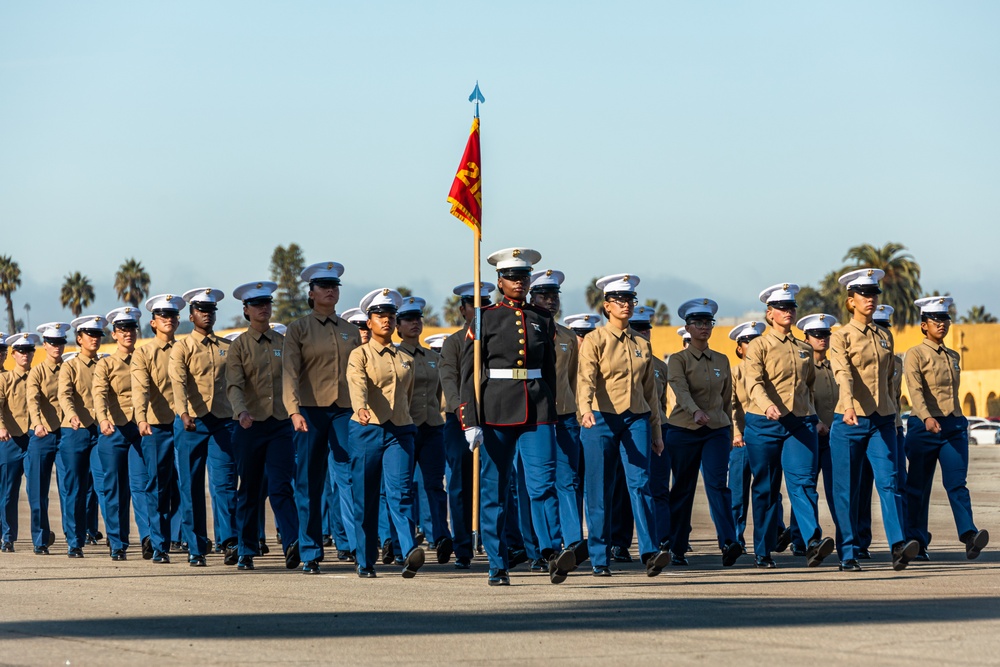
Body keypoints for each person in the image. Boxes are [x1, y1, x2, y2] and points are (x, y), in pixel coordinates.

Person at [460, 248, 576, 586]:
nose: (519, 282)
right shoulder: (484, 318)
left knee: (542, 484)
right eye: (512, 277)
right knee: (495, 490)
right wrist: (470, 420)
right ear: (499, 281)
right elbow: (470, 374)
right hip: (495, 412)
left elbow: (551, 371)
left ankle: (552, 551)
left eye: (524, 277)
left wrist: (551, 408)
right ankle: (498, 563)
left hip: (537, 409)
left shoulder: (542, 318)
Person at [576, 273, 669, 578]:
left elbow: (651, 393)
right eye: (619, 300)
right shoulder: (595, 339)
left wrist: (656, 431)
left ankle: (649, 551)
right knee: (599, 487)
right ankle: (599, 557)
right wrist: (585, 409)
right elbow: (585, 378)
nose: (626, 305)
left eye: (630, 300)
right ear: (607, 306)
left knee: (640, 483)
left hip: (636, 418)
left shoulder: (641, 343)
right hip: (601, 417)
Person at [829, 268, 919, 572]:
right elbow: (842, 371)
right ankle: (849, 552)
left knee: (890, 480)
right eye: (864, 294)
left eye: (874, 294)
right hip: (849, 420)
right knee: (847, 489)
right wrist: (849, 403)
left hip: (882, 419)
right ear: (850, 300)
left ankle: (898, 545)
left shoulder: (884, 335)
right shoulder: (839, 337)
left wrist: (894, 416)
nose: (871, 299)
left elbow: (890, 381)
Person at [743, 283, 834, 569]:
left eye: (791, 307)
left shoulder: (804, 348)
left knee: (804, 483)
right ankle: (763, 550)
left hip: (799, 423)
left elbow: (808, 387)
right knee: (766, 489)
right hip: (764, 422)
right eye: (782, 308)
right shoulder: (758, 346)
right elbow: (753, 382)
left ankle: (811, 541)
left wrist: (814, 417)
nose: (788, 312)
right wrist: (767, 404)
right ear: (770, 314)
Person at [282, 262, 361, 574]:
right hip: (310, 412)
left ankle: (359, 547)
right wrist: (293, 410)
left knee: (352, 476)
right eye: (324, 286)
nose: (331, 290)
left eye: (335, 285)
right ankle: (310, 550)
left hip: (345, 411)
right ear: (311, 293)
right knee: (309, 481)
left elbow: (359, 374)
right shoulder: (299, 329)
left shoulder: (351, 330)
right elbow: (289, 372)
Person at [903, 296, 989, 560]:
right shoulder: (915, 354)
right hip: (925, 426)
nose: (942, 324)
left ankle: (969, 535)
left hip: (952, 426)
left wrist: (959, 421)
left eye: (945, 319)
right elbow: (915, 390)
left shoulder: (953, 355)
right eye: (935, 320)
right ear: (924, 325)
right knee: (918, 487)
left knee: (956, 484)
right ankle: (916, 541)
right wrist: (927, 417)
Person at [347, 288, 424, 578]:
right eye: (380, 316)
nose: (387, 320)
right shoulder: (360, 354)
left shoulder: (405, 357)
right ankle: (365, 559)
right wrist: (361, 406)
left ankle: (408, 552)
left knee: (401, 492)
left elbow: (409, 392)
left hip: (400, 431)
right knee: (365, 497)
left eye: (391, 316)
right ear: (369, 322)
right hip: (367, 429)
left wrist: (407, 421)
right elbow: (357, 383)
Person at [225, 281, 301, 571]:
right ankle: (245, 548)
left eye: (267, 303)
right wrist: (241, 412)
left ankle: (292, 543)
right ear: (246, 310)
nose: (264, 309)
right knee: (251, 489)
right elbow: (234, 385)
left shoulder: (283, 344)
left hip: (280, 424)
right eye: (257, 305)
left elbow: (293, 381)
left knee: (282, 486)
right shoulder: (239, 347)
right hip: (249, 427)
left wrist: (295, 412)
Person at [665, 298, 743, 567]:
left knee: (718, 486)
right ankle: (676, 546)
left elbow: (726, 398)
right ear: (687, 327)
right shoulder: (678, 360)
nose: (704, 327)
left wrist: (728, 428)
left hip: (716, 432)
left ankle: (729, 542)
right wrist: (695, 411)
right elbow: (680, 390)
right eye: (697, 322)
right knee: (683, 489)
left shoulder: (721, 359)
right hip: (684, 430)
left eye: (708, 322)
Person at [169, 287, 237, 567]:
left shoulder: (227, 347)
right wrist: (183, 413)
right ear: (191, 314)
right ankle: (196, 546)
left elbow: (236, 384)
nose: (207, 315)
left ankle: (230, 541)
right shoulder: (182, 347)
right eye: (201, 310)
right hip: (192, 423)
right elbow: (178, 382)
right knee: (190, 485)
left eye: (210, 311)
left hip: (222, 421)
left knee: (224, 483)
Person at [529, 269, 586, 565]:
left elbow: (574, 379)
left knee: (569, 480)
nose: (550, 301)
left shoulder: (567, 337)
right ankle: (543, 546)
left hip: (565, 416)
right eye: (543, 295)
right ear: (532, 297)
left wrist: (578, 410)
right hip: (534, 417)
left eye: (554, 296)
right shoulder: (525, 330)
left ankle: (575, 543)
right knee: (539, 484)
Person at [439, 280, 493, 570]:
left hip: (495, 418)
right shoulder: (454, 343)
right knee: (460, 486)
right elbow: (449, 381)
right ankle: (462, 547)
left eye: (484, 303)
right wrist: (465, 415)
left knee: (494, 483)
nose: (479, 309)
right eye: (473, 304)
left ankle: (496, 541)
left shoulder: (497, 341)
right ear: (462, 309)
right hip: (460, 421)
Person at [395, 296, 453, 564]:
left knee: (434, 485)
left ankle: (441, 536)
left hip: (431, 428)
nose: (415, 323)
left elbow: (439, 394)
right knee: (403, 488)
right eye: (408, 319)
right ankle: (400, 542)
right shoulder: (394, 356)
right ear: (397, 325)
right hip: (404, 428)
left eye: (418, 318)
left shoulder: (432, 358)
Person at [132, 294, 185, 564]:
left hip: (187, 424)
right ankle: (159, 544)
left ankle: (183, 538)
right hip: (157, 426)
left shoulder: (186, 347)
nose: (169, 320)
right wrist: (140, 418)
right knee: (157, 487)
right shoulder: (144, 352)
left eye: (173, 316)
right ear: (153, 322)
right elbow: (140, 388)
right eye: (163, 316)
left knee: (185, 485)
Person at [92, 307, 145, 560]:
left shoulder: (145, 358)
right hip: (113, 430)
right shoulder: (107, 364)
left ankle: (148, 538)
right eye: (122, 330)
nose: (128, 334)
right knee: (114, 489)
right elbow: (99, 394)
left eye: (131, 329)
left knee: (142, 485)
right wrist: (102, 419)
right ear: (114, 334)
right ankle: (117, 541)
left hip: (141, 429)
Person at [790, 313, 842, 556]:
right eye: (817, 335)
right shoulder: (804, 367)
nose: (822, 339)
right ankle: (800, 538)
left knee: (836, 489)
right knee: (805, 485)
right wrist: (816, 420)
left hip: (834, 438)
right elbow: (803, 397)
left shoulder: (835, 367)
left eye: (826, 334)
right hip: (810, 433)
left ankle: (845, 539)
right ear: (806, 338)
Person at [58, 315, 107, 558]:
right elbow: (64, 395)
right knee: (75, 488)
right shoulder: (70, 366)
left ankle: (115, 540)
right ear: (79, 339)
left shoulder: (104, 364)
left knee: (103, 484)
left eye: (98, 335)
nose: (95, 339)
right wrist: (72, 414)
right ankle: (74, 540)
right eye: (90, 335)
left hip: (100, 431)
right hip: (74, 431)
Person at [26, 322, 71, 554]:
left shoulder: (69, 369)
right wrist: (37, 423)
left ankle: (73, 540)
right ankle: (41, 540)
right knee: (38, 491)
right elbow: (32, 399)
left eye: (61, 342)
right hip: (42, 434)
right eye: (53, 343)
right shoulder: (37, 371)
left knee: (69, 489)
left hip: (66, 434)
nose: (57, 347)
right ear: (45, 345)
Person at [629, 306, 671, 556]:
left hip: (657, 426)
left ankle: (662, 539)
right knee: (630, 489)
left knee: (658, 488)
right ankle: (620, 543)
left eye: (647, 328)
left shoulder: (659, 366)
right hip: (630, 426)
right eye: (638, 328)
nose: (644, 332)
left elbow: (661, 401)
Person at [727, 320, 766, 553]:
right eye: (746, 342)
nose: (751, 345)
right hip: (741, 439)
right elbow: (730, 404)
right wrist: (736, 432)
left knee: (767, 489)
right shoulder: (735, 373)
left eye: (755, 341)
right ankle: (735, 539)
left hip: (764, 437)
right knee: (738, 494)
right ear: (739, 348)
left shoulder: (768, 371)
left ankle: (769, 537)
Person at [0, 332, 39, 552]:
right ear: (13, 354)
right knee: (8, 492)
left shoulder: (37, 376)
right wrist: (1, 426)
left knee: (36, 491)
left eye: (29, 350)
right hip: (10, 440)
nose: (26, 354)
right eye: (21, 351)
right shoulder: (4, 379)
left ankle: (39, 538)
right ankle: (8, 536)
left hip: (33, 438)